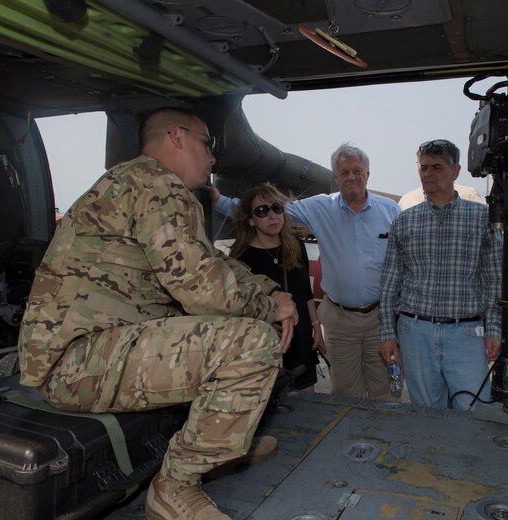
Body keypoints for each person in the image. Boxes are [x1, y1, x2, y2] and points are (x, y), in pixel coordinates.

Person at [17, 107, 298, 520]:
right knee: (250, 342)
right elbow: (201, 288)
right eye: (208, 144)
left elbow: (210, 264)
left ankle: (221, 445)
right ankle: (176, 487)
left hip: (100, 349)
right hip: (77, 361)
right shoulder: (154, 183)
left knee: (219, 331)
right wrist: (270, 308)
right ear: (177, 137)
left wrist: (271, 289)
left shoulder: (144, 183)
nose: (213, 157)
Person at [211, 143, 400, 400]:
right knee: (345, 394)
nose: (352, 177)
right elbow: (265, 210)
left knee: (385, 392)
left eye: (357, 170)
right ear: (335, 178)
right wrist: (217, 200)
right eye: (344, 173)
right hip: (341, 320)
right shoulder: (320, 208)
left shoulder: (390, 211)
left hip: (380, 319)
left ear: (368, 173)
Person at [379, 139, 503, 410]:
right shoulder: (404, 220)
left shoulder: (482, 219)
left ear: (455, 171)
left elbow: (494, 280)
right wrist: (388, 333)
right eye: (423, 168)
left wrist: (493, 329)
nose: (427, 174)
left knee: (474, 413)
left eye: (436, 167)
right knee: (426, 415)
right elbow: (390, 285)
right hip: (415, 333)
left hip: (466, 333)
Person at [230, 184, 326, 391]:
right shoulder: (240, 258)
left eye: (277, 208)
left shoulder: (296, 246)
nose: (272, 215)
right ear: (250, 219)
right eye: (262, 211)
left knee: (308, 404)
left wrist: (316, 326)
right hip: (266, 341)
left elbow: (305, 293)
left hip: (300, 338)